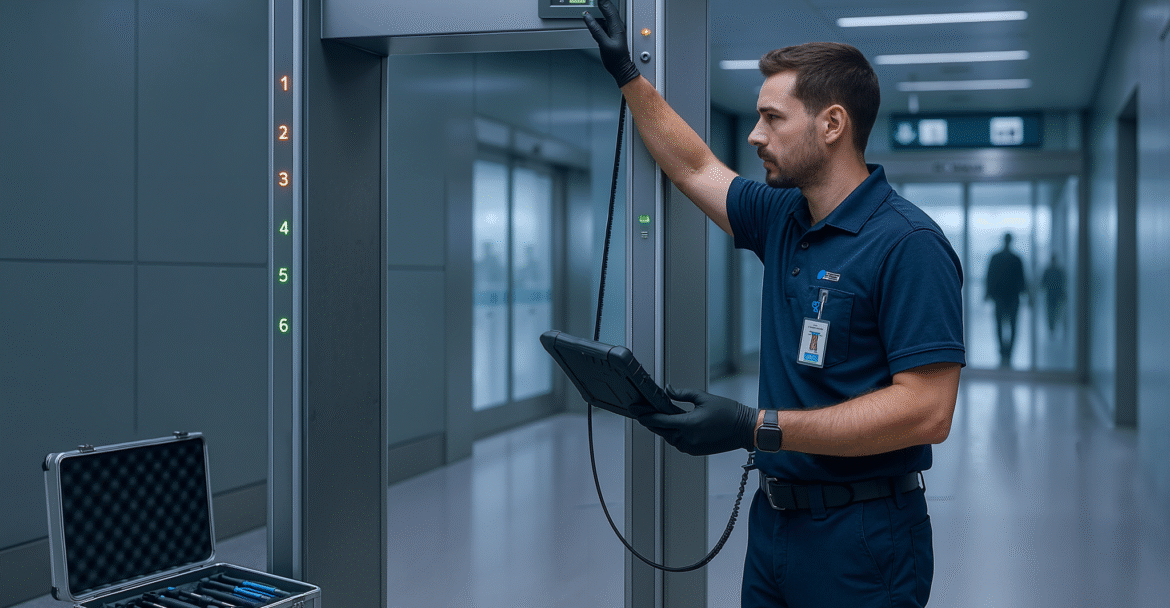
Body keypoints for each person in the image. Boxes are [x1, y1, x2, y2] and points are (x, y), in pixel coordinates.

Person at [583, 1, 965, 606]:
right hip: (776, 525)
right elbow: (694, 165)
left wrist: (753, 427)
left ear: (832, 124)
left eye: (772, 118)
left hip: (863, 538)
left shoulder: (908, 244)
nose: (756, 135)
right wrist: (629, 75)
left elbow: (927, 412)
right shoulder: (785, 216)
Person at [985, 233, 1028, 366]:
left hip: (1012, 297)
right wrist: (988, 292)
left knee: (1012, 325)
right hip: (1001, 297)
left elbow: (1022, 278)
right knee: (1000, 325)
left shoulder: (1014, 259)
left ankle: (1008, 352)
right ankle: (1003, 351)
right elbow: (990, 276)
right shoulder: (999, 258)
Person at [1041, 253, 1066, 333]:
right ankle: (1052, 326)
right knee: (1052, 311)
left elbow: (1062, 283)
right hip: (1052, 294)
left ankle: (1052, 325)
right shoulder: (1056, 271)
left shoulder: (1052, 271)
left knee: (1053, 311)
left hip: (1053, 294)